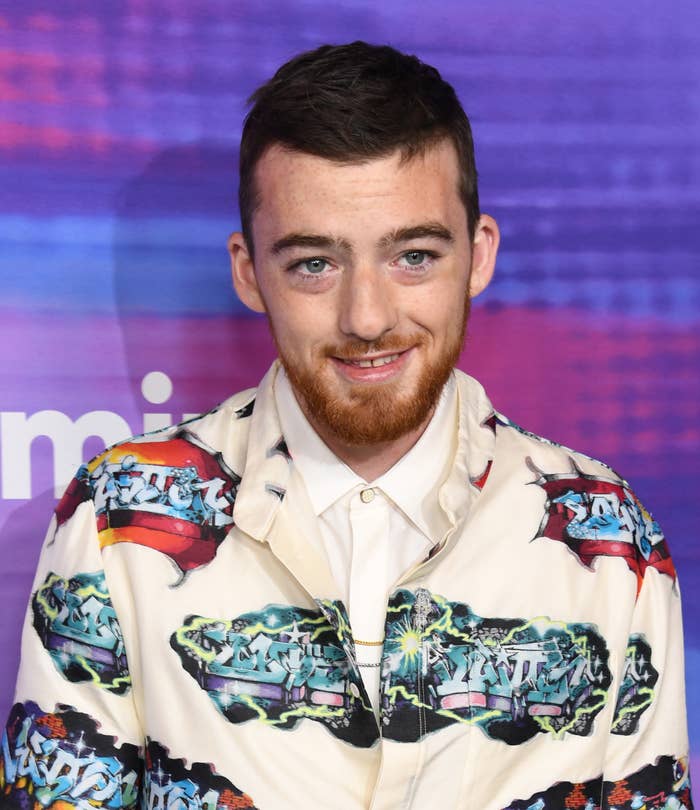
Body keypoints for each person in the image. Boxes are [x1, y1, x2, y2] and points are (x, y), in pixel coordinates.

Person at [0, 42, 692, 810]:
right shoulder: (119, 518)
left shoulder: (609, 538)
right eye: (314, 265)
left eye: (415, 256)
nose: (367, 318)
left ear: (479, 255)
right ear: (247, 270)